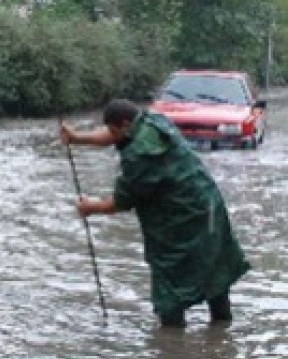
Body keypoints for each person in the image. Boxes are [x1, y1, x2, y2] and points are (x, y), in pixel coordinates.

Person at [60, 98, 250, 327]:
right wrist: (76, 138)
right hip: (210, 207)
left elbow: (122, 202)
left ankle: (171, 347)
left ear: (124, 123)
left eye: (112, 129)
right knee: (215, 271)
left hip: (182, 219)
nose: (110, 134)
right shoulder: (153, 121)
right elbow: (115, 135)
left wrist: (90, 208)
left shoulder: (138, 155)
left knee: (168, 285)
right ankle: (221, 335)